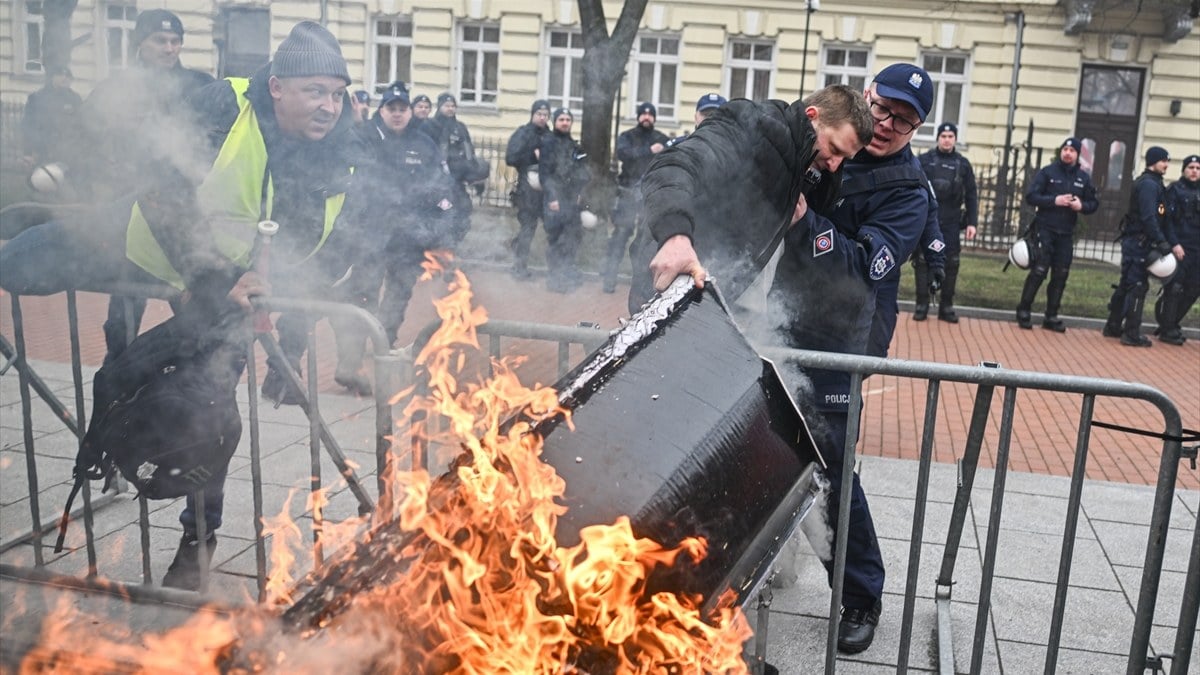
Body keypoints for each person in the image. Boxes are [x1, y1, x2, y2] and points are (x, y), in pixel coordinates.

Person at [0, 21, 360, 589]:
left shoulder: (339, 150)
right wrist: (208, 279)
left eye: (338, 94)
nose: (329, 107)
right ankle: (29, 221)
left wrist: (286, 300)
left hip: (228, 298)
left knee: (205, 413)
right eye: (316, 91)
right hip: (143, 244)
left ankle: (198, 540)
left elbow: (334, 245)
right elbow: (161, 190)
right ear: (278, 87)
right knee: (20, 265)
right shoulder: (224, 106)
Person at [765, 64, 935, 654]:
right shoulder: (832, 138)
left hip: (843, 340)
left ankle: (860, 596)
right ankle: (763, 564)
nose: (886, 125)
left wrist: (806, 221)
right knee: (757, 440)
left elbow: (864, 271)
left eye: (904, 120)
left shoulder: (909, 193)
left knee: (829, 465)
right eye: (883, 109)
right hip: (777, 317)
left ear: (917, 129)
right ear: (866, 97)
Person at [626, 84, 872, 313]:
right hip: (670, 284)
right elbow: (672, 167)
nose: (834, 164)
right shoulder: (749, 125)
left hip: (722, 297)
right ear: (811, 116)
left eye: (845, 158)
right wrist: (675, 236)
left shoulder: (808, 161)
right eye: (835, 149)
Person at [75, 9, 217, 366]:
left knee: (194, 310)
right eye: (160, 40)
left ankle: (191, 385)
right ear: (140, 42)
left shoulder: (201, 87)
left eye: (175, 40)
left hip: (184, 218)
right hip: (131, 214)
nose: (170, 48)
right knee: (124, 310)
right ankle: (117, 379)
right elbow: (83, 142)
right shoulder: (115, 90)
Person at [347, 81, 457, 352]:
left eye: (402, 109)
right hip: (372, 233)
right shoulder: (367, 138)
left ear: (410, 112)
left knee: (398, 296)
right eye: (391, 108)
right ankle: (355, 349)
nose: (397, 114)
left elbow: (441, 187)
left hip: (409, 239)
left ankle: (384, 343)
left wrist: (440, 229)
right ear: (382, 110)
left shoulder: (424, 144)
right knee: (364, 291)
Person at [1015, 137, 1099, 332]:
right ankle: (1024, 311)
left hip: (1066, 233)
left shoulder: (1083, 178)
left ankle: (1051, 316)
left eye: (1072, 150)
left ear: (1077, 155)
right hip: (1045, 229)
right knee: (1039, 271)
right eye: (1065, 149)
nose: (1067, 153)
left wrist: (1081, 206)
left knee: (1061, 274)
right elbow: (1031, 196)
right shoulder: (1048, 172)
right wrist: (1055, 200)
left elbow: (1093, 204)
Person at [1103, 147, 1175, 347]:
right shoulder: (1149, 186)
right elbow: (1149, 217)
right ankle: (1131, 333)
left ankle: (1113, 324)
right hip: (1139, 242)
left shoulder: (1154, 183)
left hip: (1137, 241)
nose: (1166, 165)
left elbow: (1160, 214)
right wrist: (1160, 240)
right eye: (1163, 161)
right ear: (1153, 161)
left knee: (1127, 283)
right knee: (1137, 286)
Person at [602, 102, 669, 293]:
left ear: (654, 118)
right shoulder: (627, 136)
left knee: (646, 241)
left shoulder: (661, 139)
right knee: (620, 236)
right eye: (643, 114)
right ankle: (609, 278)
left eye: (650, 115)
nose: (646, 117)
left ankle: (642, 285)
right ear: (638, 116)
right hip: (627, 195)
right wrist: (649, 151)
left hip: (649, 197)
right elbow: (623, 154)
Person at [915, 122, 978, 322]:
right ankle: (921, 304)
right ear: (938, 138)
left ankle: (946, 307)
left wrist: (972, 223)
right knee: (923, 261)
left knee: (951, 263)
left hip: (951, 221)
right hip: (927, 219)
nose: (947, 140)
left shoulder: (963, 164)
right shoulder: (924, 160)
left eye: (951, 137)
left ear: (955, 140)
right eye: (943, 136)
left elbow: (972, 195)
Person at [424, 93, 487, 245]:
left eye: (453, 106)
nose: (450, 109)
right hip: (438, 185)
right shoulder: (431, 126)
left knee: (463, 212)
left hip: (458, 184)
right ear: (439, 106)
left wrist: (476, 177)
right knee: (444, 211)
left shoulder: (460, 128)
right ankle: (435, 248)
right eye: (447, 105)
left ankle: (451, 247)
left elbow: (469, 154)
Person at [538, 107, 590, 293]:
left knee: (572, 238)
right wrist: (552, 197)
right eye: (561, 119)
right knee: (556, 240)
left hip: (571, 201)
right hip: (555, 200)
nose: (565, 122)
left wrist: (579, 195)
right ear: (555, 122)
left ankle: (566, 275)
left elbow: (583, 172)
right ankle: (555, 279)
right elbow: (545, 173)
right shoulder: (548, 143)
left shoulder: (574, 146)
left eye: (568, 119)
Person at [1155, 154, 1199, 345]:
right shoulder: (1174, 190)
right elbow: (1167, 222)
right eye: (1191, 167)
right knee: (1174, 288)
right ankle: (1167, 329)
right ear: (1183, 170)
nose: (1194, 171)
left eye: (1198, 168)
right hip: (1180, 247)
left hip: (1197, 250)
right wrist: (1174, 244)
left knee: (1193, 288)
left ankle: (1171, 322)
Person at [20, 66, 82, 176]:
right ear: (52, 77)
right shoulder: (37, 98)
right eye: (60, 75)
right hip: (42, 152)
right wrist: (28, 152)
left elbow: (81, 126)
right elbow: (28, 126)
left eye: (68, 76)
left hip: (68, 154)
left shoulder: (76, 100)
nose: (64, 78)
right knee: (42, 183)